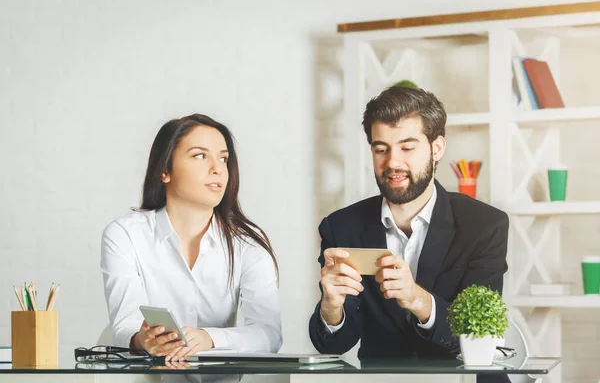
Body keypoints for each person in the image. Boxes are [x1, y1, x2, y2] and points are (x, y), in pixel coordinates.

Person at [308, 87, 509, 374]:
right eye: (381, 149)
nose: (393, 162)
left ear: (436, 148)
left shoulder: (485, 225)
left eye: (407, 147)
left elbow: (480, 335)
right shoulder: (341, 227)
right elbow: (332, 346)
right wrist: (331, 306)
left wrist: (417, 299)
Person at [101, 114, 282, 363]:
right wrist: (142, 340)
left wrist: (210, 338)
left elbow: (269, 335)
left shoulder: (248, 241)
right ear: (164, 171)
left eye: (223, 158)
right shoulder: (125, 235)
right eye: (200, 155)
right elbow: (125, 323)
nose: (217, 168)